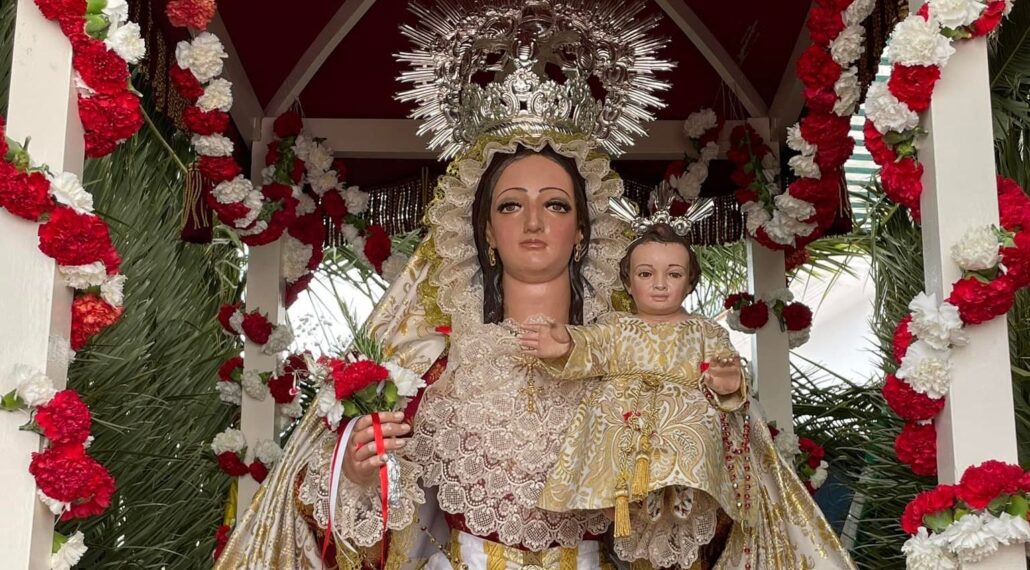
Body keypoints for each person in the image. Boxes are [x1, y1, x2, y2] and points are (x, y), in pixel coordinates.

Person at [518, 223, 754, 568]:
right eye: (646, 273)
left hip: (684, 445)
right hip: (627, 444)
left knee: (683, 532)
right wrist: (566, 344)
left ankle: (679, 512)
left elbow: (727, 370)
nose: (659, 284)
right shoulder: (616, 327)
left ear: (690, 282)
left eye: (673, 274)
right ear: (628, 282)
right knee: (635, 535)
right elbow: (591, 346)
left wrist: (728, 379)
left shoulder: (705, 331)